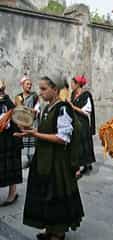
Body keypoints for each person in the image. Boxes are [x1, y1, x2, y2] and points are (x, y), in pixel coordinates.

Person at [15, 74, 84, 240]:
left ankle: (58, 232)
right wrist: (28, 132)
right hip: (45, 159)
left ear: (55, 89)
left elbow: (63, 138)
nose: (40, 92)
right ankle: (49, 229)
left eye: (44, 89)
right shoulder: (47, 107)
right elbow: (41, 127)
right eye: (40, 89)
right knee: (45, 193)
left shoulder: (62, 108)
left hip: (58, 161)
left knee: (56, 194)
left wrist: (36, 134)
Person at [0, 80, 23, 206]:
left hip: (9, 140)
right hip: (2, 140)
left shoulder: (8, 103)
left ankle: (12, 193)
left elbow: (11, 122)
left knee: (10, 166)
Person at [70, 75, 96, 177]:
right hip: (74, 123)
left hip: (83, 123)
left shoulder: (86, 95)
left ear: (77, 84)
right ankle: (82, 165)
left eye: (73, 83)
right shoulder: (73, 94)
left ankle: (83, 166)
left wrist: (73, 107)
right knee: (76, 145)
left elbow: (87, 112)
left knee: (83, 145)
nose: (71, 85)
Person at [15, 75, 40, 168]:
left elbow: (37, 109)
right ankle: (27, 160)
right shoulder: (18, 97)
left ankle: (32, 160)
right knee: (25, 141)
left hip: (32, 121)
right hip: (23, 122)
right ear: (22, 85)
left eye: (30, 84)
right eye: (27, 84)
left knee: (32, 140)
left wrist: (28, 110)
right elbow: (18, 110)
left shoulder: (34, 96)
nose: (29, 86)